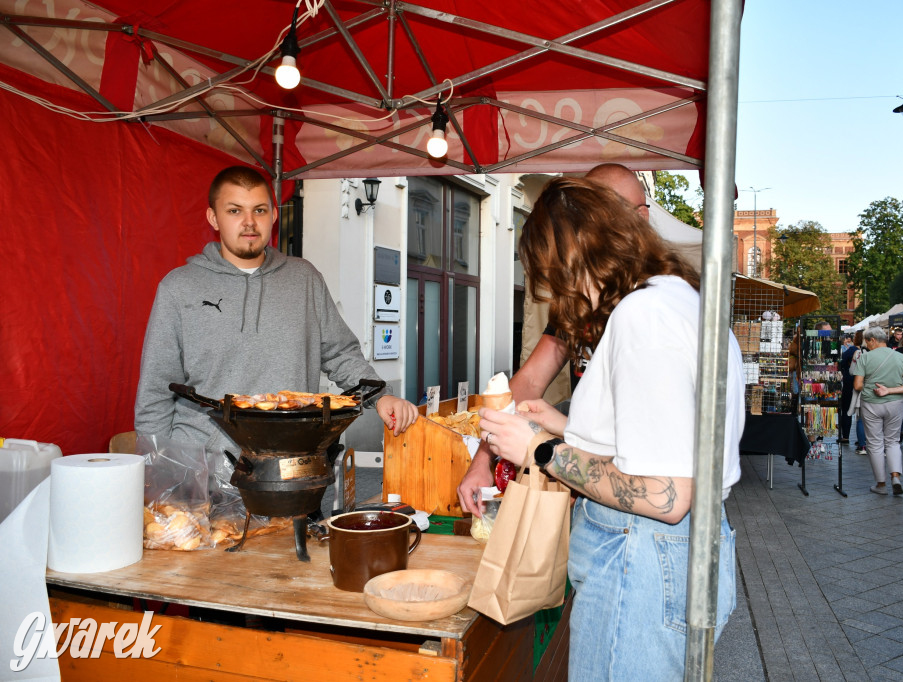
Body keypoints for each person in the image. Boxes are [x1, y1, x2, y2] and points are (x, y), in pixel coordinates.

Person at [477, 177, 745, 679]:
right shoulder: (678, 298)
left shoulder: (645, 317)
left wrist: (539, 450)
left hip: (639, 559)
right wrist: (563, 425)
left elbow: (665, 494)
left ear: (575, 259)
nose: (561, 297)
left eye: (554, 278)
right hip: (669, 553)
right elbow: (655, 444)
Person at [135, 166, 418, 460]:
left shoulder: (304, 279)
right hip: (202, 466)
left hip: (292, 464)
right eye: (234, 211)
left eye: (259, 210)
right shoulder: (179, 287)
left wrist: (382, 396)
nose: (249, 222)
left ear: (273, 215)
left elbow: (341, 354)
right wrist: (159, 468)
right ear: (213, 218)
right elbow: (156, 391)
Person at [457, 163, 653, 516]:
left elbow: (660, 480)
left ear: (640, 218)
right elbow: (530, 380)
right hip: (593, 484)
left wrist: (542, 449)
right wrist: (483, 459)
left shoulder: (653, 309)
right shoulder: (583, 300)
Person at [852, 326, 903, 495]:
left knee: (875, 444)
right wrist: (890, 390)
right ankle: (895, 476)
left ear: (873, 340)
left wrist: (871, 386)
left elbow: (857, 385)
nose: (866, 345)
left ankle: (881, 484)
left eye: (867, 342)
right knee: (893, 441)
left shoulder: (865, 358)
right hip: (895, 403)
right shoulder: (901, 357)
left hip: (871, 403)